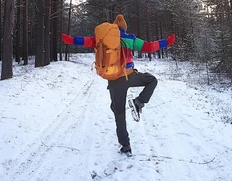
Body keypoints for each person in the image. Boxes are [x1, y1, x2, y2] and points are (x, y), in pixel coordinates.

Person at [61, 14, 175, 155]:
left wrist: (70, 39)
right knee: (152, 80)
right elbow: (149, 47)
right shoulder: (129, 38)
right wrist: (167, 42)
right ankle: (139, 102)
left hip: (114, 81)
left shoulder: (103, 38)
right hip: (130, 76)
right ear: (124, 28)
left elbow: (86, 41)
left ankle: (125, 144)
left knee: (119, 113)